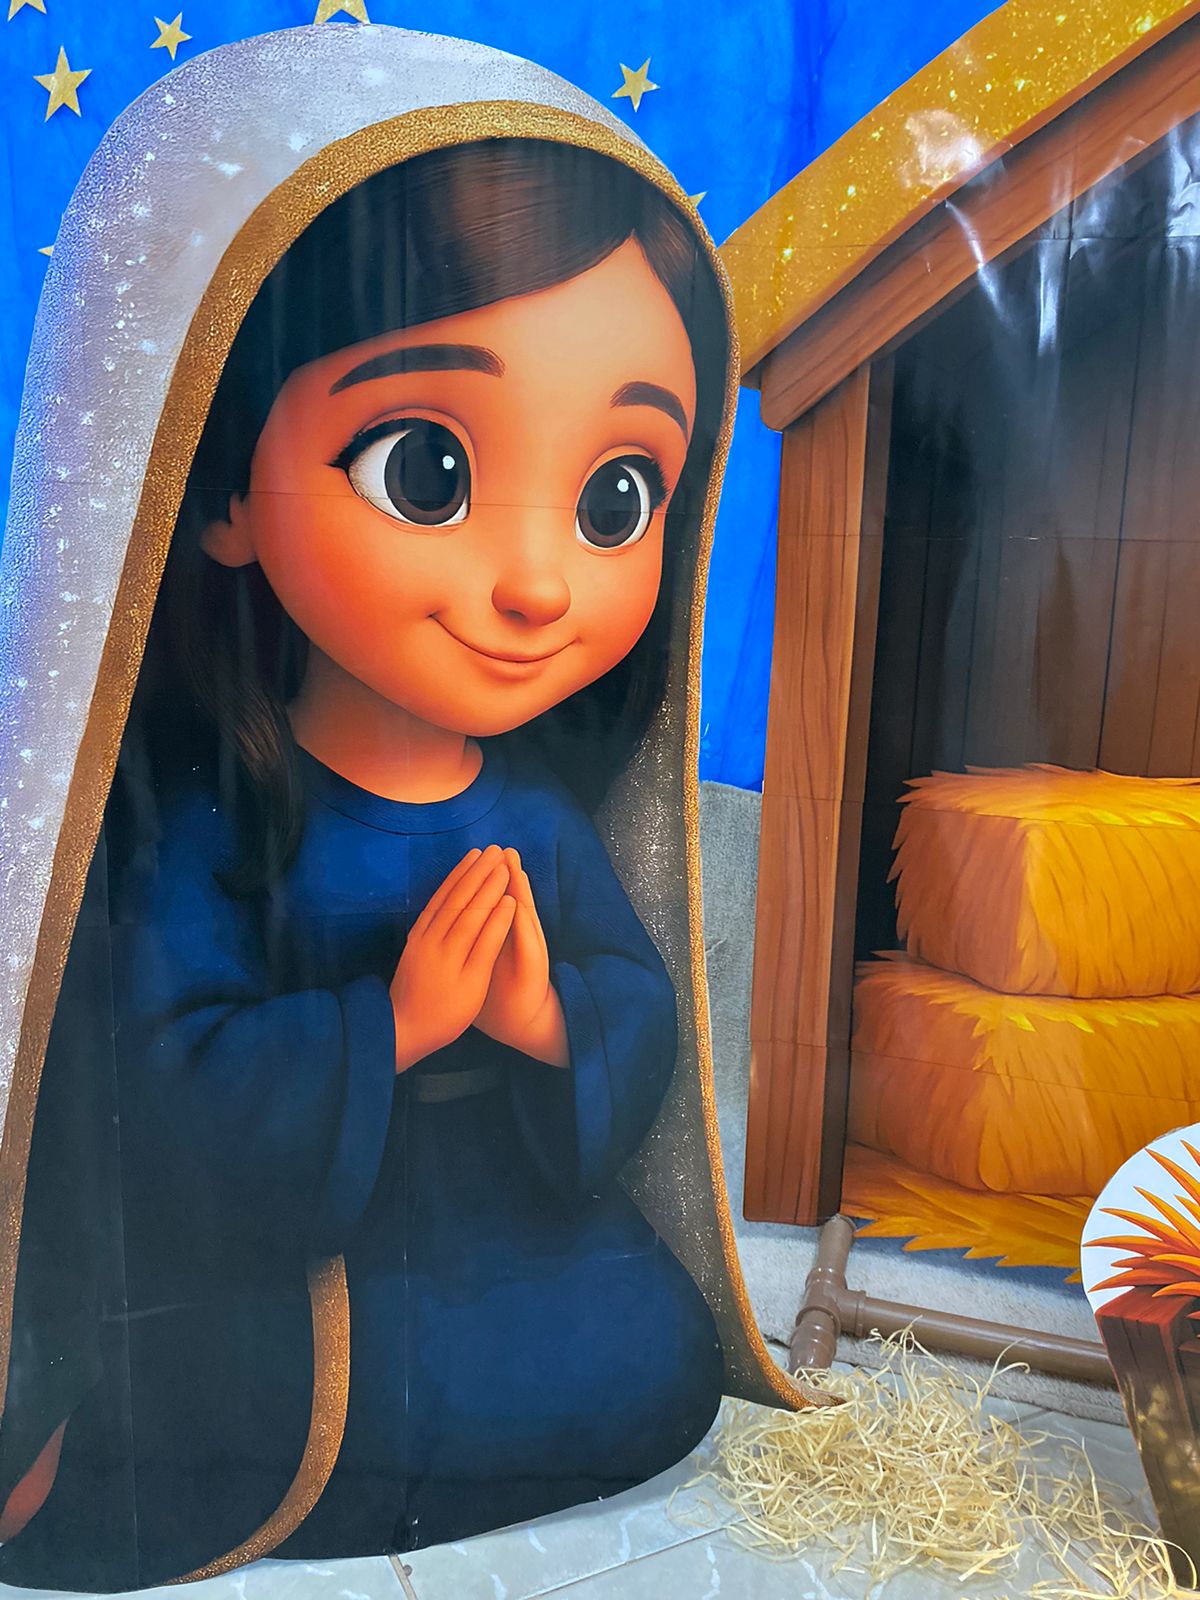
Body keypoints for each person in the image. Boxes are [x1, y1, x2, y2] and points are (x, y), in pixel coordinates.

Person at [0, 127, 731, 1592]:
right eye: (428, 471)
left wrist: (546, 1019)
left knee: (658, 1354)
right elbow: (156, 1082)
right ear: (221, 498)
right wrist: (385, 1028)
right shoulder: (219, 814)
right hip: (298, 1263)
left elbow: (633, 1004)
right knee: (243, 1402)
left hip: (511, 1234)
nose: (539, 584)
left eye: (615, 499)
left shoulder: (535, 815)